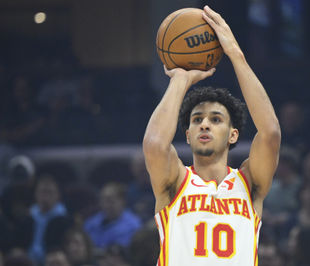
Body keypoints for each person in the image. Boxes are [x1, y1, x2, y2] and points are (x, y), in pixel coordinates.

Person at [143, 5, 281, 266]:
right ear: (187, 135)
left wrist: (236, 55)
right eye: (197, 120)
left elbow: (271, 133)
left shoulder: (249, 183)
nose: (204, 124)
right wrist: (180, 80)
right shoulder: (175, 180)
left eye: (215, 119)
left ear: (233, 135)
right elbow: (154, 145)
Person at [84, 182, 142, 249]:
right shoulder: (91, 222)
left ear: (122, 201)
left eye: (110, 200)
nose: (106, 205)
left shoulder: (133, 225)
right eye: (103, 200)